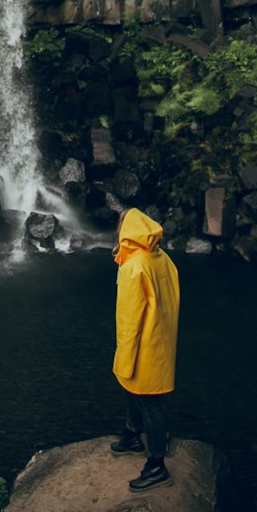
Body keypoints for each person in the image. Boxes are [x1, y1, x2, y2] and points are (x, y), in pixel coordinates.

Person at [110, 206, 180, 492]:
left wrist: (124, 357)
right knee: (135, 392)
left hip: (142, 345)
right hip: (160, 339)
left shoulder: (133, 268)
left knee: (149, 404)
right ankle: (131, 434)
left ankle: (156, 465)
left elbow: (129, 318)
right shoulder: (159, 257)